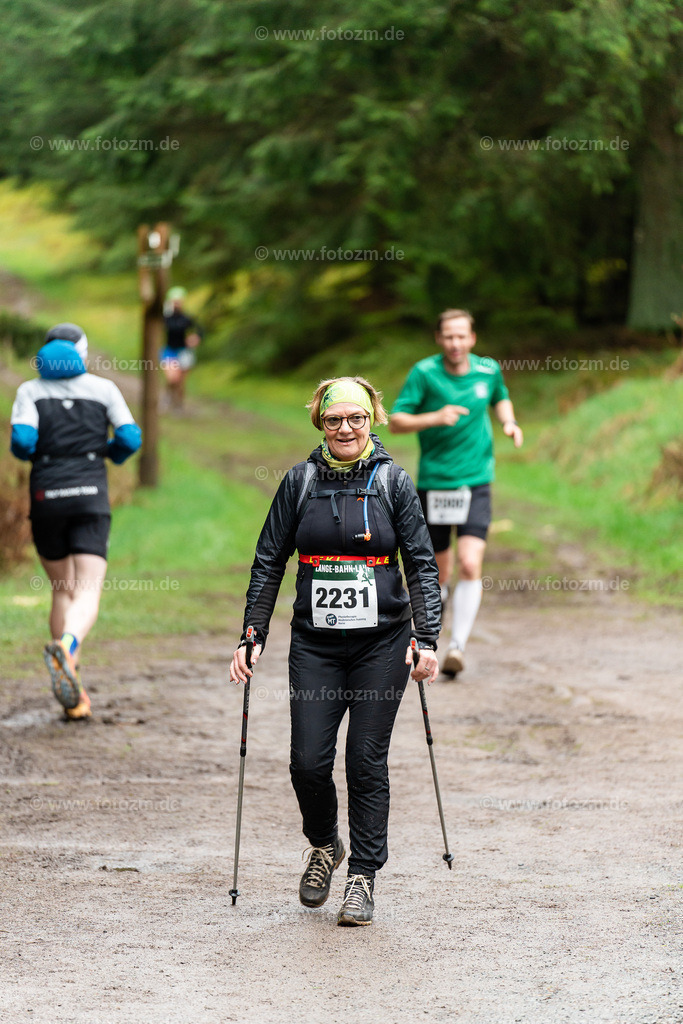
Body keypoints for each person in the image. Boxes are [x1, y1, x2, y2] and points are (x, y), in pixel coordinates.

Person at [229, 377, 441, 926]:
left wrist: (427, 637)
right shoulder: (299, 482)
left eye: (356, 418)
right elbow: (269, 560)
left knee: (364, 760)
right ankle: (325, 845)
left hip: (382, 644)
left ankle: (363, 877)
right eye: (333, 420)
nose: (345, 429)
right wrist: (253, 634)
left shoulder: (393, 482)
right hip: (315, 646)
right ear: (320, 423)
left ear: (372, 420)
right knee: (307, 763)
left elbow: (421, 564)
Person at [10, 322, 141, 719]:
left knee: (62, 589)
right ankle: (66, 647)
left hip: (46, 498)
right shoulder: (104, 389)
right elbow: (130, 438)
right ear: (81, 353)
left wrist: (42, 453)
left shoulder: (29, 391)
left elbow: (22, 443)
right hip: (90, 497)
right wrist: (108, 452)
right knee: (86, 589)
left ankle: (76, 694)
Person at [389, 309, 523, 678]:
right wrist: (435, 417)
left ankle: (458, 647)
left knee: (469, 563)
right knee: (439, 572)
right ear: (438, 338)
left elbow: (500, 396)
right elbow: (396, 421)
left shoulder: (488, 370)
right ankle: (431, 634)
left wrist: (509, 421)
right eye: (448, 336)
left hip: (475, 481)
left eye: (462, 336)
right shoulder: (424, 373)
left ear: (472, 338)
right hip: (435, 482)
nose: (455, 343)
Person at [160, 287, 202, 411]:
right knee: (172, 378)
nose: (177, 304)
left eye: (179, 301)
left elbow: (200, 330)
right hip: (169, 350)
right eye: (174, 301)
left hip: (184, 351)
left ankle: (178, 404)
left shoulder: (186, 319)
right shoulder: (166, 318)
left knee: (180, 382)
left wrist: (196, 338)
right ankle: (168, 396)